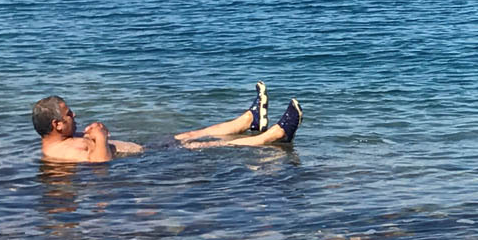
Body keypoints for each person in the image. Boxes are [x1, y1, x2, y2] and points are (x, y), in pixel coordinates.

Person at [32, 82, 302, 163]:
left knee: (189, 134)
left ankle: (247, 120)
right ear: (56, 124)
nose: (74, 116)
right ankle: (274, 136)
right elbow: (100, 167)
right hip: (148, 157)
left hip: (145, 147)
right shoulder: (61, 153)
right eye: (69, 114)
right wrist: (101, 137)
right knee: (207, 146)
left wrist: (90, 133)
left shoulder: (62, 141)